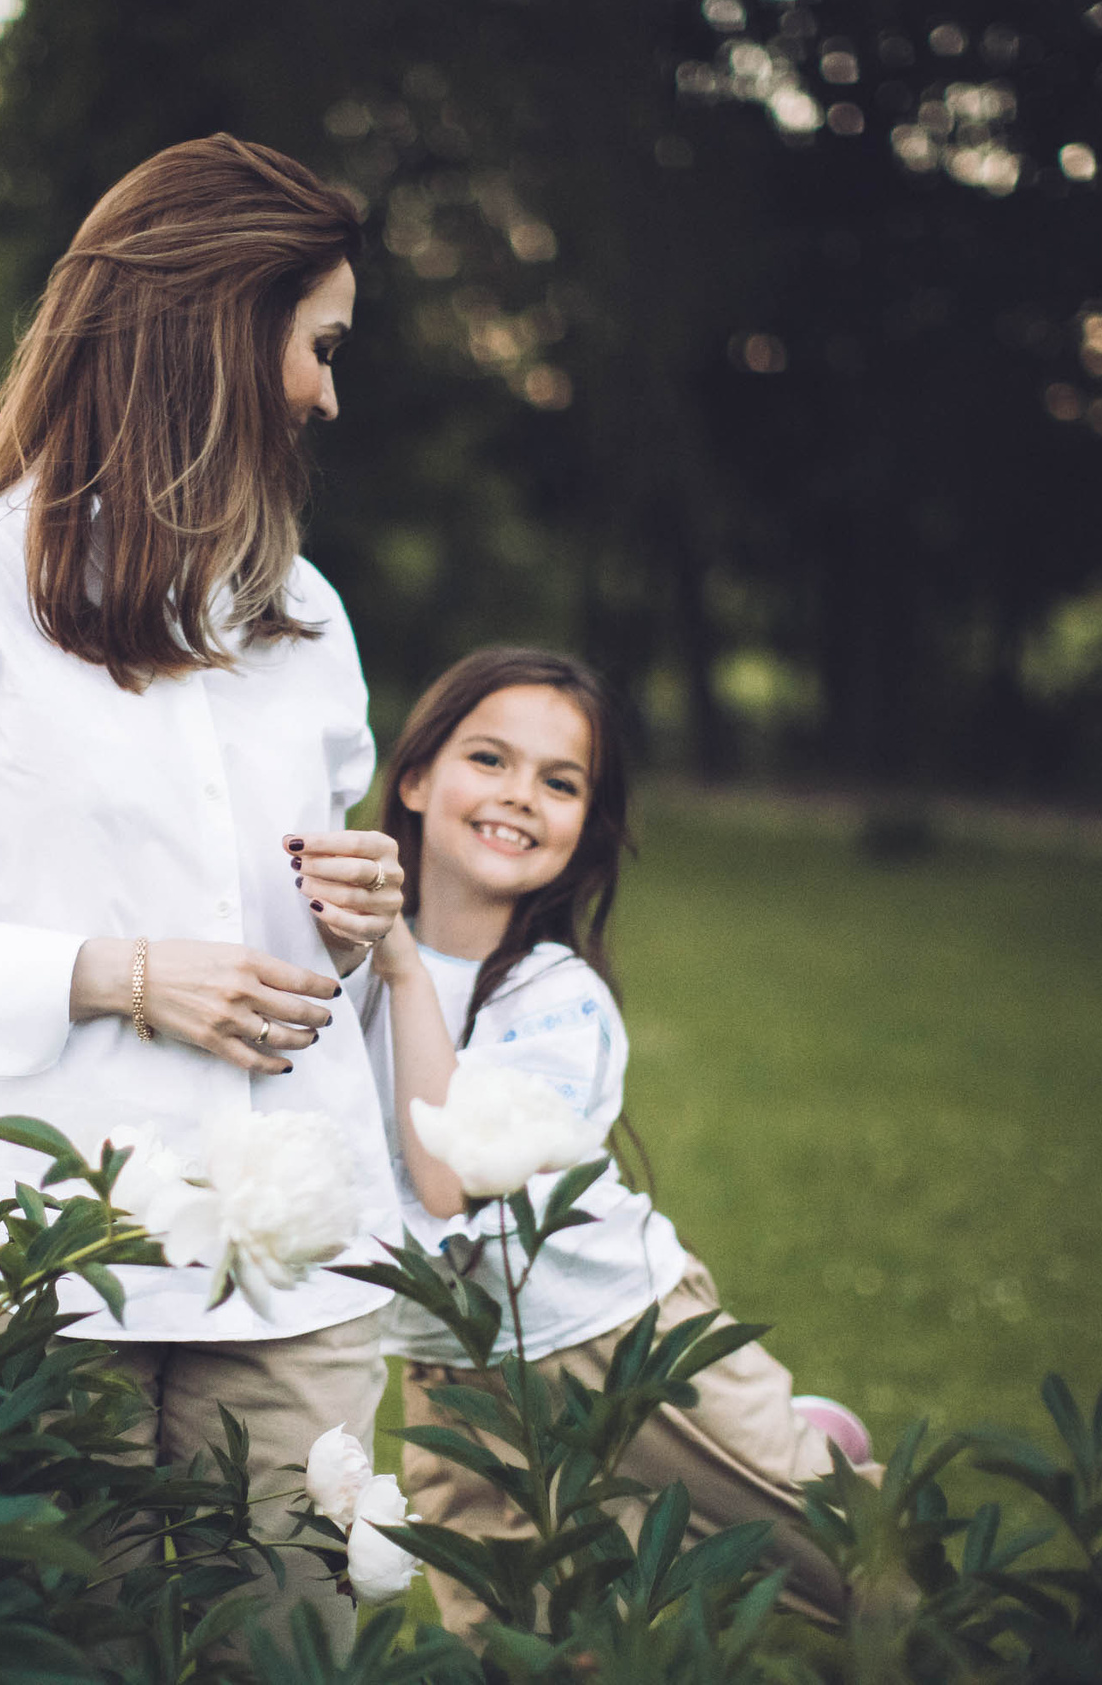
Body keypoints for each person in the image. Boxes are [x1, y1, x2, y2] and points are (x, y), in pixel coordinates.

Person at [0, 135, 407, 1641]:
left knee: (299, 1650)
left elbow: (328, 968)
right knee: (66, 1649)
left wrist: (361, 922)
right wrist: (116, 971)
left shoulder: (305, 613)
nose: (330, 390)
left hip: (293, 1280)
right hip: (51, 1265)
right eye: (318, 344)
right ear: (215, 328)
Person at [360, 645, 877, 1632]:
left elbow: (451, 1175)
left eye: (560, 783)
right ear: (415, 777)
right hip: (451, 1364)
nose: (519, 797)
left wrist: (401, 975)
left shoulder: (559, 999)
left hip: (623, 1341)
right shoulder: (343, 962)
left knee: (849, 1572)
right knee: (522, 1637)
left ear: (583, 827)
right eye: (489, 760)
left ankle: (815, 1454)